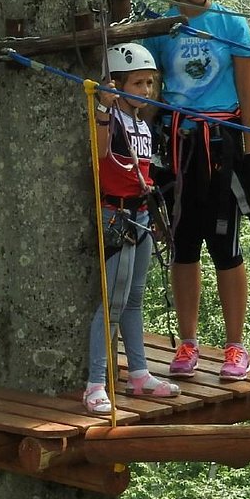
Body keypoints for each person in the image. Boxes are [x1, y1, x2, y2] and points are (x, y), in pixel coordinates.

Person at [144, 0, 250, 381]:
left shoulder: (232, 25)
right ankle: (188, 342)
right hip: (177, 142)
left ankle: (235, 346)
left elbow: (248, 95)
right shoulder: (159, 30)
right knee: (184, 244)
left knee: (226, 245)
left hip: (222, 145)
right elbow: (151, 95)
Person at [83, 44, 180, 415]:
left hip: (139, 215)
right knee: (112, 304)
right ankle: (95, 382)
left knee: (133, 301)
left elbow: (144, 171)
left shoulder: (141, 124)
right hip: (116, 215)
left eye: (149, 83)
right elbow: (101, 153)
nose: (146, 90)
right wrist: (105, 106)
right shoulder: (111, 119)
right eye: (138, 83)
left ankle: (138, 373)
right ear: (117, 83)